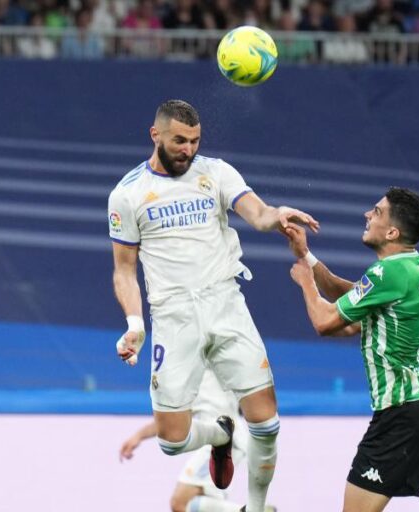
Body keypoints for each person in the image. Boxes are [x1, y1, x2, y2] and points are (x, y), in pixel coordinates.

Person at [109, 99, 318, 512]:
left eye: (195, 140)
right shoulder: (127, 194)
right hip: (172, 316)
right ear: (156, 135)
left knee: (266, 420)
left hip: (226, 304)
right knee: (172, 442)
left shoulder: (216, 172)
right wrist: (134, 323)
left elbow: (256, 214)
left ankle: (255, 509)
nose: (188, 149)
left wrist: (278, 216)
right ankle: (220, 433)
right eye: (179, 140)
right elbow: (123, 270)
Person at [283, 188, 419, 512]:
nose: (367, 216)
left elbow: (325, 322)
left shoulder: (388, 273)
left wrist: (305, 282)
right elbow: (357, 301)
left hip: (399, 413)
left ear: (392, 232)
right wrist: (307, 256)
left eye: (377, 212)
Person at [120, 369, 278, 512]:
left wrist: (138, 436)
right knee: (201, 505)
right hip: (225, 438)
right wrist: (139, 436)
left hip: (223, 440)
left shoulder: (206, 358)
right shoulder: (195, 370)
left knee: (180, 502)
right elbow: (171, 420)